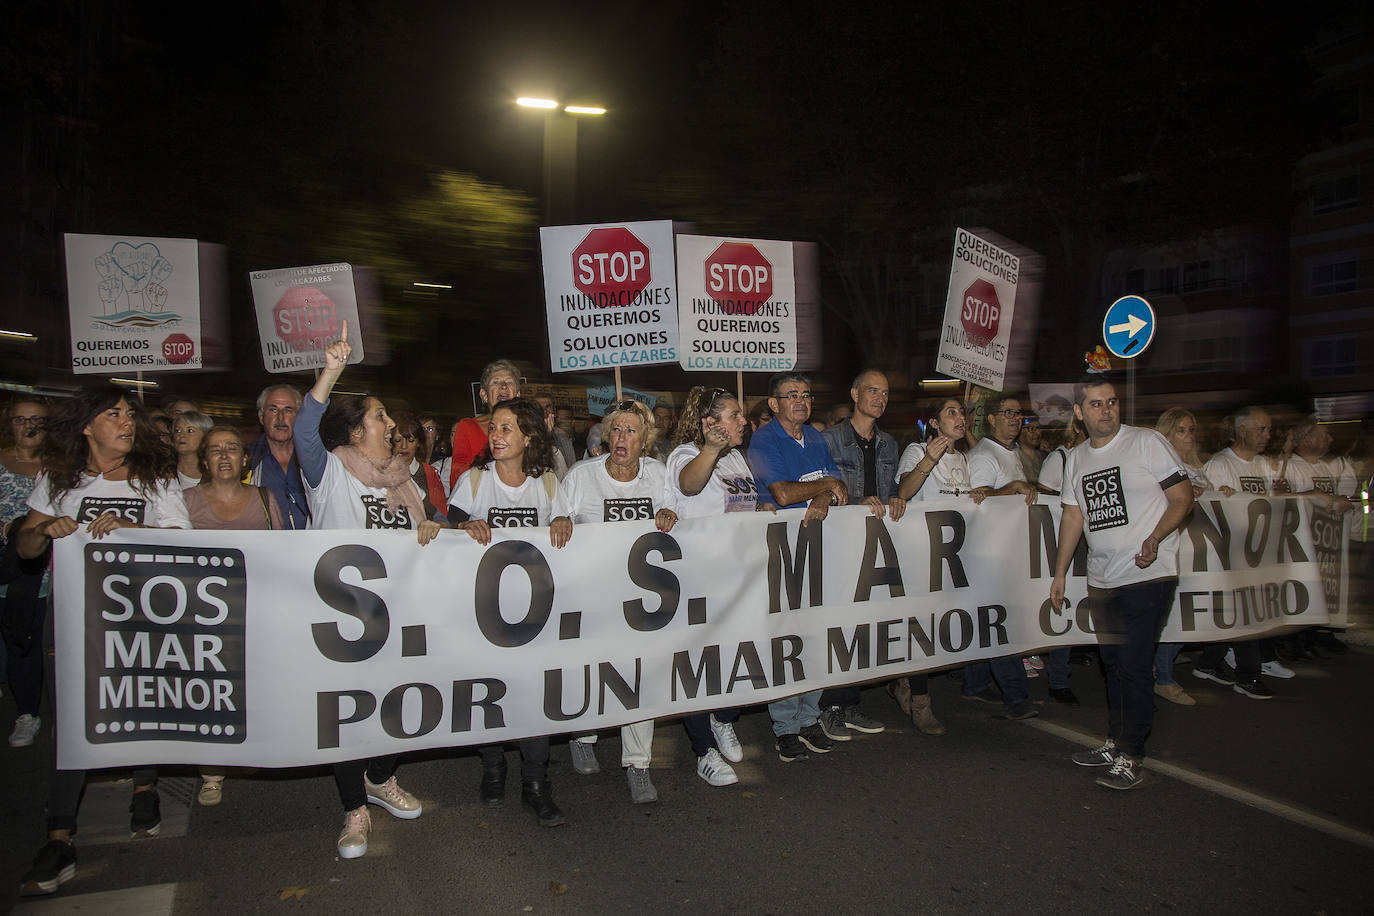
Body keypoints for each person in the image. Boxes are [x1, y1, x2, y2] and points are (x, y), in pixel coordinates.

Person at [14, 386, 190, 895]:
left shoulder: (153, 477)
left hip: (140, 617)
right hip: (74, 617)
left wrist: (133, 527)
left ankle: (145, 785)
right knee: (71, 717)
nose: (126, 422)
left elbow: (181, 539)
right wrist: (45, 529)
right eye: (113, 414)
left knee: (142, 698)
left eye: (129, 414)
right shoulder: (59, 478)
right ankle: (60, 835)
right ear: (88, 426)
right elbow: (25, 547)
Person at [297, 322, 437, 859]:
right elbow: (305, 433)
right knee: (349, 715)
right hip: (344, 621)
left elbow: (424, 539)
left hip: (399, 616)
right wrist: (331, 372)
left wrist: (436, 530)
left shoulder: (403, 480)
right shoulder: (329, 474)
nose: (391, 423)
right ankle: (354, 807)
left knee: (404, 706)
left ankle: (380, 777)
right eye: (380, 416)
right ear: (356, 432)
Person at [1050, 376, 1193, 790]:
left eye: (1111, 402)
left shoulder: (1146, 442)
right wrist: (1059, 572)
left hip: (1147, 574)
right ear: (1079, 413)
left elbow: (1183, 497)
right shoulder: (1076, 458)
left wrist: (1155, 538)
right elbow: (1073, 515)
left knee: (1133, 665)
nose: (1106, 410)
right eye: (1095, 404)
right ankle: (1116, 741)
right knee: (1112, 664)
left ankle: (1132, 753)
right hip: (1103, 578)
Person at [551, 399, 678, 804]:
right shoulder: (581, 475)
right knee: (592, 669)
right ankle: (583, 735)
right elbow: (557, 519)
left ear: (645, 440)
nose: (622, 438)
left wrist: (670, 514)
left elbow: (675, 512)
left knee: (639, 675)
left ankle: (638, 764)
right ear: (607, 436)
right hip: (593, 597)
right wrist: (561, 520)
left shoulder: (658, 474)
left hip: (641, 599)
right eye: (616, 430)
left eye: (631, 431)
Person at [448, 397, 568, 826]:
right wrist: (463, 527)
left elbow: (568, 536)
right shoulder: (474, 481)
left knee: (535, 695)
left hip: (535, 615)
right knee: (490, 693)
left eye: (506, 428)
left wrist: (565, 523)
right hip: (486, 614)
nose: (495, 436)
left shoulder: (548, 483)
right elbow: (447, 533)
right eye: (493, 428)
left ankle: (535, 783)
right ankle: (493, 764)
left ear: (528, 437)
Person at [746, 372, 848, 761]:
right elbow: (783, 493)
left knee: (817, 635)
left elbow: (840, 489)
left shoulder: (816, 438)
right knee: (787, 638)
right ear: (774, 404)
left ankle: (808, 717)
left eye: (806, 394)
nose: (801, 401)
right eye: (792, 395)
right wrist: (826, 487)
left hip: (819, 549)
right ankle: (785, 726)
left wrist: (826, 494)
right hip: (782, 552)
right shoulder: (765, 440)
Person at [183, 426, 285, 806]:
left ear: (244, 460)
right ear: (204, 460)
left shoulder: (264, 498)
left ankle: (250, 748)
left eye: (231, 449)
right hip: (202, 617)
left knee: (250, 686)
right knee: (208, 690)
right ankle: (211, 770)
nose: (224, 456)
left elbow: (282, 552)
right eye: (215, 450)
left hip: (253, 612)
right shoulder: (186, 501)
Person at [664, 386, 759, 783]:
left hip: (738, 579)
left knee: (740, 658)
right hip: (698, 581)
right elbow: (689, 486)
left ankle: (723, 717)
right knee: (699, 666)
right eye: (734, 415)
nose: (743, 421)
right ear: (709, 423)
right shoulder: (685, 455)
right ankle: (703, 751)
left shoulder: (736, 457)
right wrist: (709, 449)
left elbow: (740, 507)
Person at [818, 370, 904, 739]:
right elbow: (819, 490)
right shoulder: (828, 439)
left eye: (885, 392)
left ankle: (850, 702)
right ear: (854, 394)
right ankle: (829, 707)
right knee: (838, 627)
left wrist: (895, 498)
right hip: (838, 547)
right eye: (873, 390)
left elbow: (890, 490)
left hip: (873, 548)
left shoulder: (890, 444)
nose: (880, 398)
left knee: (865, 628)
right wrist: (855, 502)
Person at [1196, 407, 1289, 696]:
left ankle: (1209, 662)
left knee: (1247, 612)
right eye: (1261, 429)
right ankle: (1249, 676)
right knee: (1246, 612)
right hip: (1232, 554)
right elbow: (1208, 511)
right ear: (1242, 431)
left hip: (1259, 552)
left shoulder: (1264, 465)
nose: (1267, 435)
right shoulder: (1220, 465)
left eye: (1269, 429)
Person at [964, 391, 1039, 718]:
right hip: (988, 554)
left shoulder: (1012, 452)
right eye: (1007, 412)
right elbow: (978, 498)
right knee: (999, 624)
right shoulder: (984, 455)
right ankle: (1016, 697)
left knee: (987, 621)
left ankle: (975, 683)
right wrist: (1013, 489)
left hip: (1007, 551)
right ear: (992, 418)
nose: (1014, 419)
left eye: (1018, 413)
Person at [1150, 408, 1212, 706]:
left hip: (1201, 553)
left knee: (1191, 613)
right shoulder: (1160, 466)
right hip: (1177, 550)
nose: (1189, 436)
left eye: (1192, 429)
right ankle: (1163, 677)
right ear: (1166, 434)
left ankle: (1159, 665)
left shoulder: (1198, 467)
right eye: (1181, 430)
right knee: (1177, 614)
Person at [3, 397, 49, 749]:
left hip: (46, 574)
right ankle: (25, 709)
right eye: (20, 419)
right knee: (14, 642)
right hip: (5, 568)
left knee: (34, 644)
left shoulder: (63, 467)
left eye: (36, 420)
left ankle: (32, 713)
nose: (28, 426)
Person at [443, 360, 521, 494]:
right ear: (484, 395)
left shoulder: (527, 427)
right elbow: (457, 478)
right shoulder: (467, 427)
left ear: (517, 394)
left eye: (509, 382)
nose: (503, 386)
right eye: (495, 382)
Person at [247, 384, 309, 530]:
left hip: (315, 541)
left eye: (288, 410)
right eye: (273, 410)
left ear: (299, 417)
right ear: (261, 417)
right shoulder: (246, 459)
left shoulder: (315, 459)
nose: (280, 418)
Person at [390, 410, 447, 520]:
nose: (404, 446)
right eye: (398, 440)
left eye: (411, 440)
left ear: (419, 443)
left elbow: (441, 518)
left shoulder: (430, 474)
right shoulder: (381, 472)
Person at [172, 409, 213, 490]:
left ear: (206, 436)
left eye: (190, 431)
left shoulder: (214, 474)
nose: (181, 435)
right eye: (177, 431)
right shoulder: (162, 469)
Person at [534, 396, 573, 479]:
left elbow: (570, 471)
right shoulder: (523, 437)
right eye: (538, 407)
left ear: (553, 411)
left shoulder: (563, 439)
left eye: (547, 407)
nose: (543, 411)